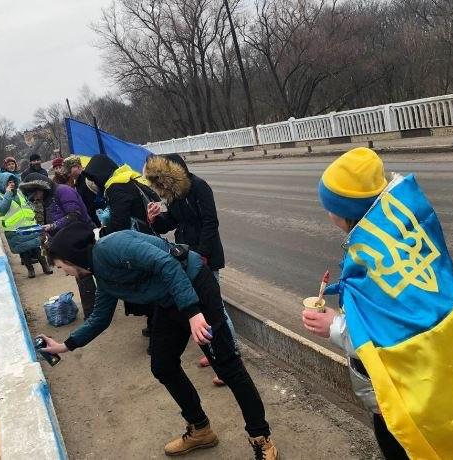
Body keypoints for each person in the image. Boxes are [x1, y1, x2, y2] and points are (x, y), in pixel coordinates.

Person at [39, 223, 279, 459]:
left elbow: (167, 263)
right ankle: (200, 429)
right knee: (163, 365)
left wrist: (193, 312)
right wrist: (65, 345)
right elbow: (100, 318)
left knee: (227, 367)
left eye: (61, 266)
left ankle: (261, 438)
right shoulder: (102, 277)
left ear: (71, 258)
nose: (64, 272)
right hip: (169, 300)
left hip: (195, 286)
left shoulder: (112, 246)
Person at [301, 148, 406, 459]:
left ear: (345, 211)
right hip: (398, 387)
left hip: (395, 389)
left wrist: (334, 325)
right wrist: (344, 291)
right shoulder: (383, 236)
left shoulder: (377, 257)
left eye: (330, 207)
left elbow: (386, 333)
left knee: (397, 444)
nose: (327, 213)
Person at [144, 154, 236, 387]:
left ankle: (230, 354)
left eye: (163, 180)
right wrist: (155, 219)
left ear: (173, 175)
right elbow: (172, 222)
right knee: (201, 307)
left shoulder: (199, 187)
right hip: (186, 255)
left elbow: (210, 222)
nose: (162, 186)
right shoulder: (175, 194)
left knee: (216, 306)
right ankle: (215, 352)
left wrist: (203, 254)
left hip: (206, 256)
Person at [84, 154, 159, 339]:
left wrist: (102, 233)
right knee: (150, 282)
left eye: (94, 179)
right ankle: (154, 325)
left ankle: (157, 330)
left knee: (146, 286)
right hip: (146, 235)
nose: (95, 184)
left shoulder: (116, 187)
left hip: (136, 241)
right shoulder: (127, 177)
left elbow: (120, 223)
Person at [19, 174, 96, 319]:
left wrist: (53, 226)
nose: (35, 198)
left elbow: (74, 215)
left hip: (82, 238)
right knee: (81, 276)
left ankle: (92, 314)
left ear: (41, 188)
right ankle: (92, 311)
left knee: (83, 275)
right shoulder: (47, 198)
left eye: (35, 193)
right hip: (70, 240)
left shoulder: (63, 191)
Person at [0, 172, 52, 278]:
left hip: (29, 225)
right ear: (2, 183)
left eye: (13, 181)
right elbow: (2, 209)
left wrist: (32, 212)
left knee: (36, 246)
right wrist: (8, 193)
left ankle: (45, 266)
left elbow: (27, 203)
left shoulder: (19, 193)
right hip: (15, 229)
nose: (12, 184)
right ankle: (30, 270)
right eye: (8, 182)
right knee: (23, 250)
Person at [63, 155, 102, 227]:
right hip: (93, 221)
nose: (68, 174)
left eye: (69, 170)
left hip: (100, 219)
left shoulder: (88, 179)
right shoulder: (77, 182)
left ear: (78, 167)